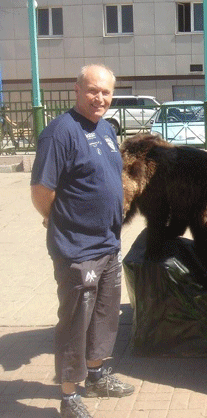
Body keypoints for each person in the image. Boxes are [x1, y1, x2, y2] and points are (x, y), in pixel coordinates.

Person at [30, 64, 134, 418]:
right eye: (93, 90)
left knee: (105, 317)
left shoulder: (105, 128)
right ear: (77, 90)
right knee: (75, 322)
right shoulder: (59, 133)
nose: (100, 98)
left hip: (107, 244)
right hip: (77, 250)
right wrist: (53, 219)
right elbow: (42, 190)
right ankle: (69, 393)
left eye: (106, 92)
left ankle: (96, 374)